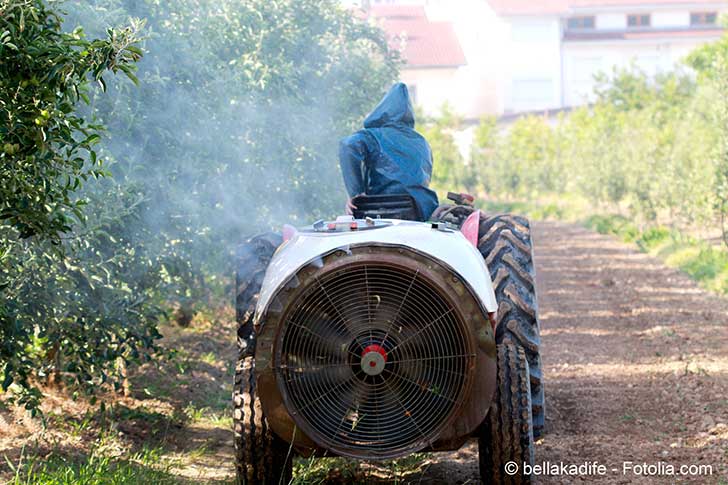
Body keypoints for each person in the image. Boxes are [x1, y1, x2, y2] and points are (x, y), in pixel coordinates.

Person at [339, 83, 439, 221]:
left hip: (380, 209)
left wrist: (355, 193)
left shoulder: (373, 135)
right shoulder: (422, 142)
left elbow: (348, 145)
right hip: (422, 211)